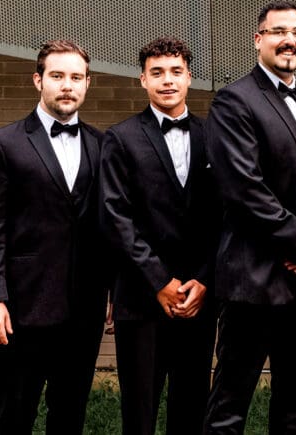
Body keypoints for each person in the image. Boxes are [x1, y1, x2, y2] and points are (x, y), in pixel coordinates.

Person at [203, 1, 296, 434]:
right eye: (279, 31)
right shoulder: (233, 100)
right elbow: (243, 188)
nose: (289, 40)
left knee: (295, 407)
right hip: (253, 280)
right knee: (229, 408)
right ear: (258, 39)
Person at [0, 39, 107, 434]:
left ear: (87, 83)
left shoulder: (102, 145)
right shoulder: (3, 143)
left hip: (84, 309)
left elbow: (107, 226)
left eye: (76, 77)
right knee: (15, 416)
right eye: (57, 76)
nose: (67, 85)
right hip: (21, 308)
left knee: (70, 416)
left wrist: (114, 289)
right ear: (38, 80)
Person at [99, 37, 217, 435]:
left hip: (198, 298)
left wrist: (205, 280)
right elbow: (115, 216)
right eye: (157, 73)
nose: (167, 80)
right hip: (141, 296)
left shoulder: (213, 136)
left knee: (192, 408)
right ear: (143, 80)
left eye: (175, 71)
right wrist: (160, 281)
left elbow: (224, 216)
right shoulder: (120, 138)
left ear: (189, 77)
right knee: (140, 412)